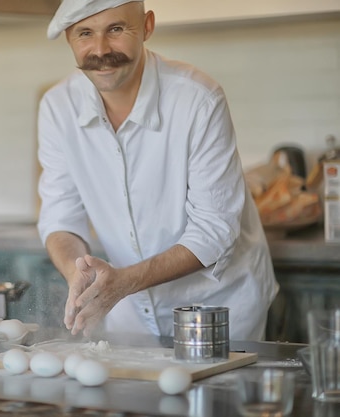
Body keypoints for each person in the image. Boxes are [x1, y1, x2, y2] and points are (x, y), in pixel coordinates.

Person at [36, 0, 279, 341]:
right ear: (68, 39)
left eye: (117, 29)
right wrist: (81, 276)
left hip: (218, 309)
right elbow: (60, 215)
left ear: (147, 26)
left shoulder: (198, 99)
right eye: (85, 33)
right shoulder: (57, 107)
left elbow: (214, 229)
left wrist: (122, 283)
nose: (101, 50)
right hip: (128, 311)